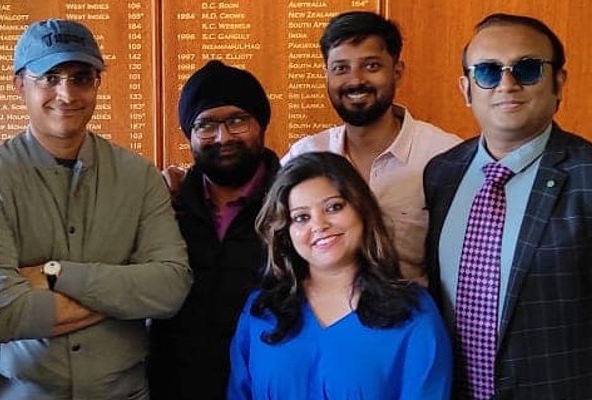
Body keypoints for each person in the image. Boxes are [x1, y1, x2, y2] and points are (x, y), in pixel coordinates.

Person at [424, 13, 592, 399]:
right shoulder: (442, 174)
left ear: (558, 82)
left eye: (527, 69)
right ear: (467, 89)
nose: (507, 84)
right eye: (488, 72)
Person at [0, 19, 191, 399]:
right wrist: (122, 295)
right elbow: (0, 314)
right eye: (49, 77)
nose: (66, 94)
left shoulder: (139, 176)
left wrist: (54, 274)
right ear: (20, 85)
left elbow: (170, 288)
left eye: (81, 77)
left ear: (97, 83)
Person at [228, 151, 453, 400]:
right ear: (286, 232)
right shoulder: (260, 310)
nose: (319, 224)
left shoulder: (413, 311)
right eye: (301, 217)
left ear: (362, 210)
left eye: (334, 207)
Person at [283, 11, 461, 283]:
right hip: (323, 319)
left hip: (413, 318)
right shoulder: (304, 156)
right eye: (341, 68)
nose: (355, 80)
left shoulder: (447, 156)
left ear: (397, 71)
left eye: (371, 66)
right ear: (326, 75)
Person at [147, 60, 281, 400]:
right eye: (205, 125)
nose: (223, 137)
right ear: (190, 135)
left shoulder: (293, 207)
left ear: (261, 124)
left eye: (237, 121)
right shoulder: (163, 206)